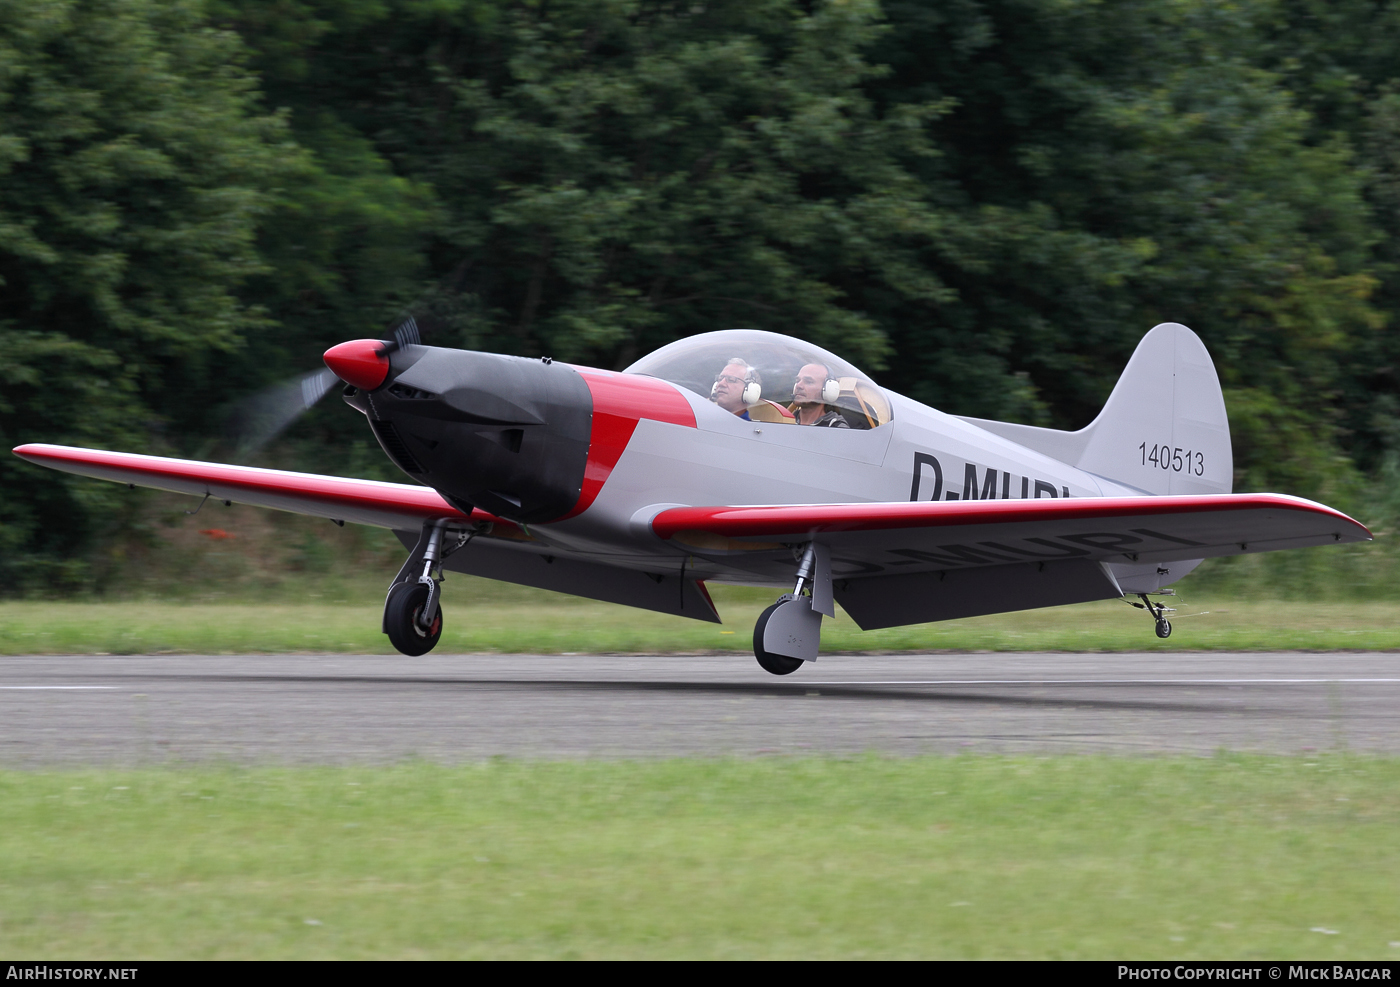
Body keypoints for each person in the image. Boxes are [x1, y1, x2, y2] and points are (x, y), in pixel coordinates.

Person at [791, 363, 850, 427]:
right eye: (798, 380)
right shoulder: (785, 421)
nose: (798, 385)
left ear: (828, 389)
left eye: (808, 381)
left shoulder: (837, 429)